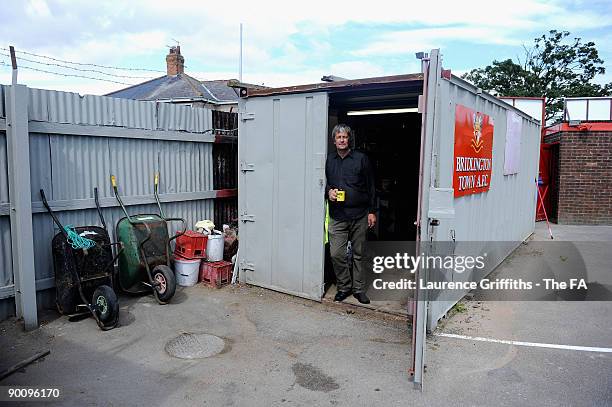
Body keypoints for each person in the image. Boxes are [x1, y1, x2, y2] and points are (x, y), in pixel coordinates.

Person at [325, 124, 376, 304]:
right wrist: (328, 191)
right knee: (336, 254)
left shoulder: (361, 159)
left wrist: (372, 211)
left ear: (349, 139)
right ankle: (344, 286)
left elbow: (371, 186)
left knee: (359, 253)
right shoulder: (329, 160)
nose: (342, 140)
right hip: (337, 215)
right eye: (338, 137)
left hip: (359, 214)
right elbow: (325, 183)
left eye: (344, 137)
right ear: (334, 141)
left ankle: (359, 289)